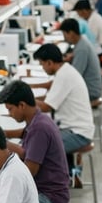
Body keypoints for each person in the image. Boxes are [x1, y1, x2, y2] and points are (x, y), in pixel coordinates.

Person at [0, 81, 70, 203]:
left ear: (22, 105)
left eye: (10, 109)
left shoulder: (39, 129)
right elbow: (24, 152)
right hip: (47, 191)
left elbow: (28, 173)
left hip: (50, 199)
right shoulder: (37, 119)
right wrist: (0, 138)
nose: (10, 114)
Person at [32, 43, 94, 175]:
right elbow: (49, 98)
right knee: (39, 138)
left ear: (49, 62)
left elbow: (47, 107)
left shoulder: (64, 76)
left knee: (39, 147)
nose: (43, 68)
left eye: (42, 64)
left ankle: (54, 187)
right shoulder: (65, 71)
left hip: (78, 133)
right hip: (74, 128)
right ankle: (66, 175)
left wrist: (24, 100)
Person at [59, 18, 102, 101]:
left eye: (64, 34)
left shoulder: (81, 49)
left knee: (58, 98)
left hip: (91, 91)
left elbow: (75, 76)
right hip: (91, 86)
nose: (64, 38)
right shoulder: (82, 40)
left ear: (71, 33)